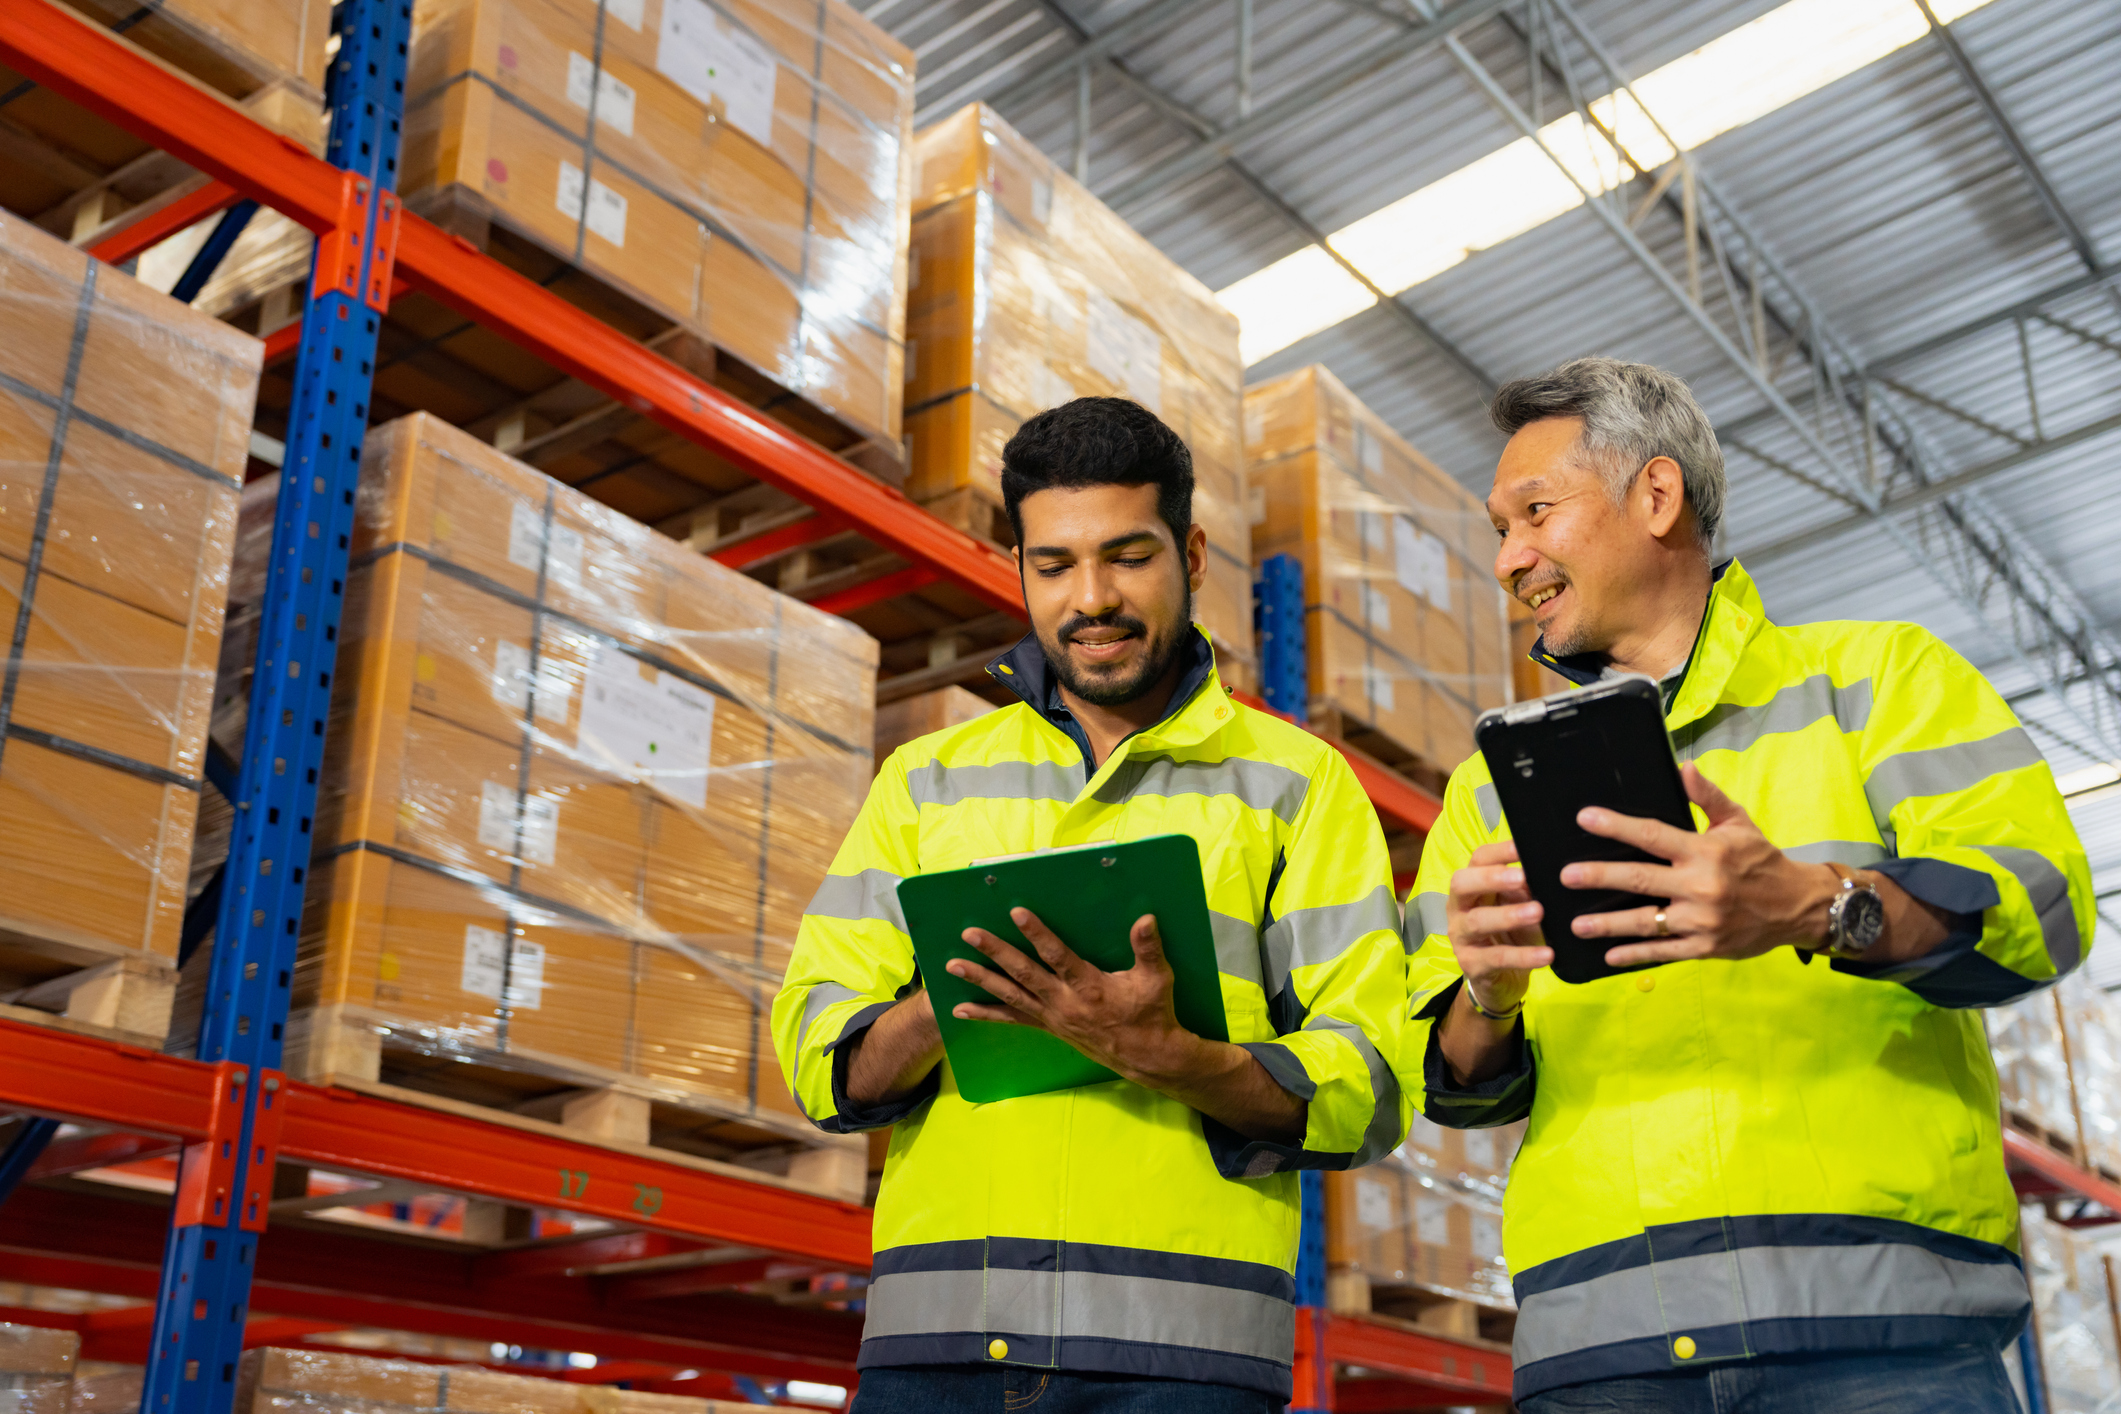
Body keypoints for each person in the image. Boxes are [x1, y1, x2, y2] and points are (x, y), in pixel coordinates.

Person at [1404, 357, 2093, 1411]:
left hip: (1879, 1335)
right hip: (1604, 1355)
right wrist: (1484, 996)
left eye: (1534, 512)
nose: (1511, 558)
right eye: (1502, 530)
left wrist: (1812, 906)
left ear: (1658, 494)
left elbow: (2041, 905)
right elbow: (1453, 1075)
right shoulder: (1486, 793)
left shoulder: (1882, 680)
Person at [773, 397, 1410, 1412]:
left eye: (1128, 555)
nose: (1093, 597)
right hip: (940, 1352)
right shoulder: (926, 781)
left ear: (1192, 553)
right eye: (1056, 563)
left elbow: (1372, 1081)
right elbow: (816, 1050)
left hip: (1184, 1361)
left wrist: (1179, 1058)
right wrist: (954, 994)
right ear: (1018, 565)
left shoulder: (1299, 786)